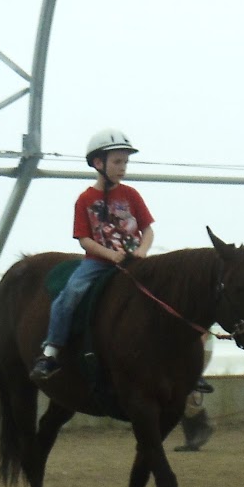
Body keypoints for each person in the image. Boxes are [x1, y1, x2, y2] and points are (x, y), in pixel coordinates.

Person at [30, 128, 155, 382]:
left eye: (125, 162)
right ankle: (51, 352)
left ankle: (175, 356)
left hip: (134, 261)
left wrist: (141, 251)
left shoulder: (131, 195)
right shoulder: (85, 199)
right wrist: (111, 255)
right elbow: (85, 240)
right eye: (118, 162)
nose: (123, 168)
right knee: (70, 295)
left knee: (164, 293)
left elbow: (148, 230)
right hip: (98, 264)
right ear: (99, 163)